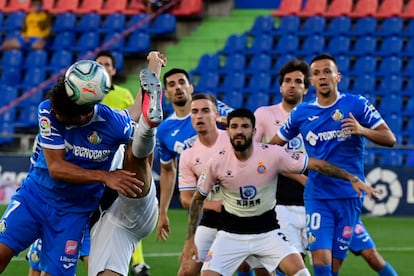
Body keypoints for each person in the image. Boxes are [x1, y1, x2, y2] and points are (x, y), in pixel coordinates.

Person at [0, 51, 164, 275]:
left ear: (81, 116)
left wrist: (154, 67)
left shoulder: (110, 123)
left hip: (73, 214)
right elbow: (56, 168)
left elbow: (135, 111)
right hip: (34, 199)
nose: (57, 116)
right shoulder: (48, 109)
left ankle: (147, 131)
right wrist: (106, 176)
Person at [180, 108, 377, 276]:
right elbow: (197, 200)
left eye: (245, 126)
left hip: (268, 233)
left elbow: (317, 165)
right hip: (231, 234)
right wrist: (190, 240)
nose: (239, 131)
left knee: (301, 273)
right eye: (234, 127)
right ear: (228, 131)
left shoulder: (272, 154)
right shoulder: (216, 163)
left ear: (254, 130)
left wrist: (352, 178)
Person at [256, 58, 398, 276]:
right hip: (317, 196)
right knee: (320, 261)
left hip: (349, 197)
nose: (322, 76)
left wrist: (362, 130)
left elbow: (389, 138)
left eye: (327, 72)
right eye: (316, 73)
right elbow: (272, 147)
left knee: (334, 267)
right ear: (311, 81)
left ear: (337, 76)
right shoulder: (301, 113)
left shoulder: (356, 104)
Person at [155, 68, 232, 242]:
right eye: (172, 85)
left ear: (191, 87)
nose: (178, 88)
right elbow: (168, 170)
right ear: (166, 94)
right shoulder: (164, 130)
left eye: (182, 82)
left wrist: (227, 121)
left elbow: (246, 124)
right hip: (202, 201)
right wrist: (163, 213)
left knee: (247, 258)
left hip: (232, 190)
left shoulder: (212, 107)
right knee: (192, 266)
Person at [96, 49, 151, 276]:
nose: (104, 68)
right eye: (99, 64)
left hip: (118, 159)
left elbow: (132, 120)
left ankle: (138, 262)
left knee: (124, 210)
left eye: (107, 64)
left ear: (114, 69)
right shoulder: (86, 97)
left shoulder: (123, 94)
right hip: (96, 158)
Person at [254, 59, 310, 274]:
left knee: (321, 262)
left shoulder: (315, 116)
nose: (292, 85)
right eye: (287, 81)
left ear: (305, 88)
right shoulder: (264, 114)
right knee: (289, 262)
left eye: (298, 81)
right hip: (279, 200)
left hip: (313, 199)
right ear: (280, 86)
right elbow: (257, 156)